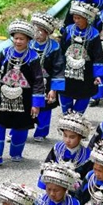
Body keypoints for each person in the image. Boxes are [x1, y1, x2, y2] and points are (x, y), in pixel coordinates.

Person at [0, 20, 45, 167]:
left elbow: (38, 80)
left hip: (24, 99)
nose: (18, 41)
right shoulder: (5, 53)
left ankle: (16, 153)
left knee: (21, 126)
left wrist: (36, 104)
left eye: (22, 39)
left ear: (28, 40)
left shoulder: (33, 57)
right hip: (3, 97)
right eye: (16, 38)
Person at [59, 2, 103, 115]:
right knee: (65, 93)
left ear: (86, 18)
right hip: (67, 71)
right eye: (74, 18)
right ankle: (67, 118)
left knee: (84, 95)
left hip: (86, 73)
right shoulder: (68, 30)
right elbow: (61, 50)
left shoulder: (94, 34)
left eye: (79, 18)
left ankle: (77, 119)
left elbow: (98, 55)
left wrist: (98, 74)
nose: (76, 20)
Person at [29, 13, 65, 142]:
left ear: (47, 33)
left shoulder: (54, 48)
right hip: (29, 81)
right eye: (35, 31)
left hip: (46, 82)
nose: (37, 34)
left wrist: (54, 89)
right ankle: (18, 129)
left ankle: (41, 131)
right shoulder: (28, 45)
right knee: (23, 105)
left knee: (45, 107)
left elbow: (58, 69)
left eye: (40, 31)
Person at [38, 112, 93, 191]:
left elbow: (88, 178)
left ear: (80, 137)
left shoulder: (87, 155)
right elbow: (46, 166)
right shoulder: (57, 148)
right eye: (65, 135)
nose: (67, 140)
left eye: (72, 137)